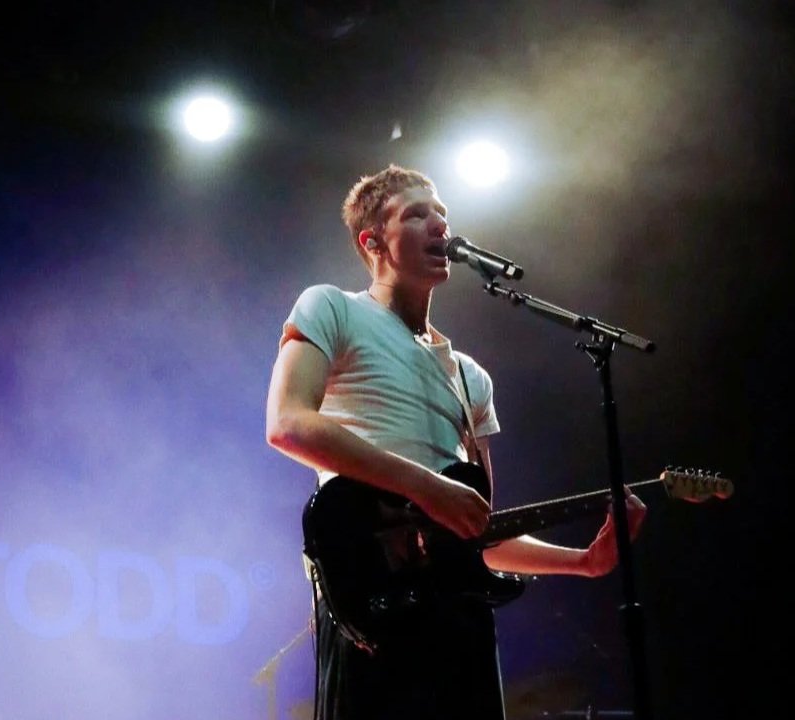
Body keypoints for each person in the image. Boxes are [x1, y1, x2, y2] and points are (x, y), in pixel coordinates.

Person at [265, 164, 647, 720]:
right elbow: (288, 423)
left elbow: (473, 532)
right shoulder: (332, 307)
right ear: (372, 241)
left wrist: (585, 562)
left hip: (457, 614)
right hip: (372, 598)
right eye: (416, 214)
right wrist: (426, 487)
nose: (439, 224)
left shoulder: (470, 377)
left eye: (442, 214)